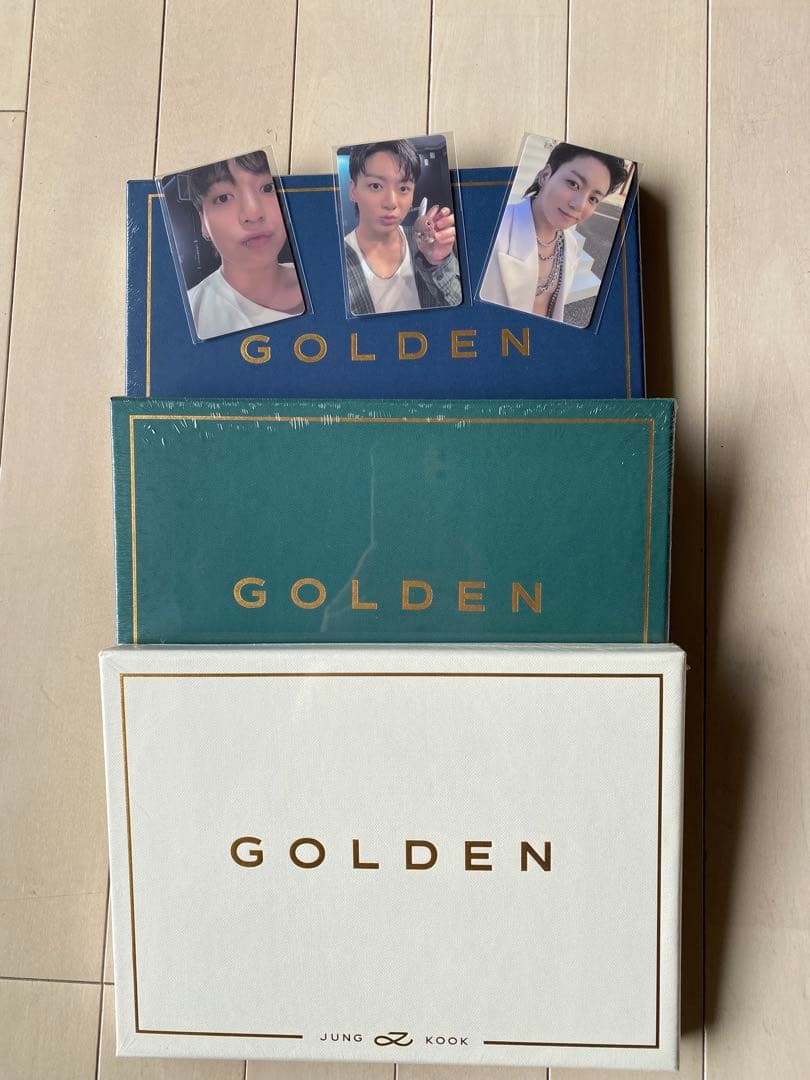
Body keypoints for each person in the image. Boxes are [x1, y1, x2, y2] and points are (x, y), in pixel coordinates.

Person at [480, 141, 628, 322]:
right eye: (573, 184)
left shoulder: (571, 246)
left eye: (593, 199)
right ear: (545, 176)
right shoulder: (492, 230)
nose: (579, 205)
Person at [185, 151, 304, 339]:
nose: (253, 213)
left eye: (267, 188)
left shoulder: (328, 275)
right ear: (203, 222)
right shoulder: (190, 312)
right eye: (224, 198)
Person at [343, 139, 462, 315]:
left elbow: (463, 314)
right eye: (376, 186)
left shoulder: (424, 245)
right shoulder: (338, 260)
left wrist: (438, 262)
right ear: (353, 191)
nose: (391, 203)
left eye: (404, 188)